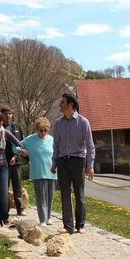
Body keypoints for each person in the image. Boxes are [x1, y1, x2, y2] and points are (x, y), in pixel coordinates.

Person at [51, 93, 95, 234]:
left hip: (78, 161)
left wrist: (90, 166)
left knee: (79, 193)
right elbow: (56, 145)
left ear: (70, 105)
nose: (60, 105)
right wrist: (54, 162)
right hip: (63, 161)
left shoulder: (83, 122)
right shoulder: (58, 123)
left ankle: (80, 225)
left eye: (63, 102)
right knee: (64, 193)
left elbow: (90, 145)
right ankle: (68, 226)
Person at [14, 117, 55, 226]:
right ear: (37, 129)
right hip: (38, 172)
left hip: (52, 171)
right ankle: (42, 219)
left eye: (45, 130)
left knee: (50, 196)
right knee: (41, 196)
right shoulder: (30, 139)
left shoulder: (52, 139)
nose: (43, 133)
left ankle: (48, 217)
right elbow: (15, 146)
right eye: (41, 130)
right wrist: (20, 150)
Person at [1, 105, 26, 216]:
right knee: (4, 186)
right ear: (1, 115)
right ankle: (4, 209)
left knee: (18, 186)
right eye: (5, 113)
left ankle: (20, 209)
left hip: (16, 161)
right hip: (3, 161)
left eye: (9, 113)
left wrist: (16, 156)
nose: (8, 115)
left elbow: (21, 143)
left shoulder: (16, 127)